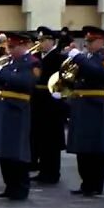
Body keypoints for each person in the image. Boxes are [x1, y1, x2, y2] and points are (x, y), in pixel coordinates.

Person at [63, 26, 104, 196]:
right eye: (86, 41)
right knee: (82, 146)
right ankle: (86, 182)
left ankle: (95, 184)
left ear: (101, 41)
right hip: (81, 104)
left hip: (95, 104)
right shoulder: (86, 57)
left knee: (96, 146)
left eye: (91, 41)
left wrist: (78, 57)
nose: (87, 44)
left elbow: (99, 73)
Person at [0, 32, 38, 201]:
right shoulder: (12, 62)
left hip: (18, 109)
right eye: (9, 47)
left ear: (23, 45)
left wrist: (0, 74)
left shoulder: (32, 63)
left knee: (17, 150)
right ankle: (10, 185)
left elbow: (26, 82)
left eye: (13, 47)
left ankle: (21, 187)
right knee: (4, 149)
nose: (9, 50)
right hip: (4, 108)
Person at [30, 27, 65, 185]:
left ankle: (52, 172)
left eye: (44, 40)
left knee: (51, 139)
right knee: (39, 138)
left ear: (53, 42)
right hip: (36, 101)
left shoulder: (59, 58)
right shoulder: (35, 57)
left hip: (52, 101)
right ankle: (43, 169)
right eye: (40, 40)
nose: (41, 43)